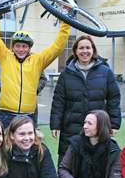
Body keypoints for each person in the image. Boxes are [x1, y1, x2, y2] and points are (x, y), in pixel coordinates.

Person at [0, 16, 70, 128]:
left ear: (29, 48)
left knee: (26, 145)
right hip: (5, 114)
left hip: (28, 115)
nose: (21, 49)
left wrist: (66, 22)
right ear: (12, 47)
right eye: (17, 46)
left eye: (24, 46)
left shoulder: (37, 61)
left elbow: (57, 47)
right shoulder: (4, 57)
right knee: (5, 146)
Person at [50, 34, 121, 162]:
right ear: (75, 51)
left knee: (95, 161)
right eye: (81, 48)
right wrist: (55, 124)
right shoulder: (66, 73)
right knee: (69, 160)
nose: (84, 51)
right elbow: (58, 100)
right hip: (71, 125)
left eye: (88, 48)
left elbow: (114, 98)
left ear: (93, 50)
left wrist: (114, 124)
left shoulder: (105, 72)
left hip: (97, 126)